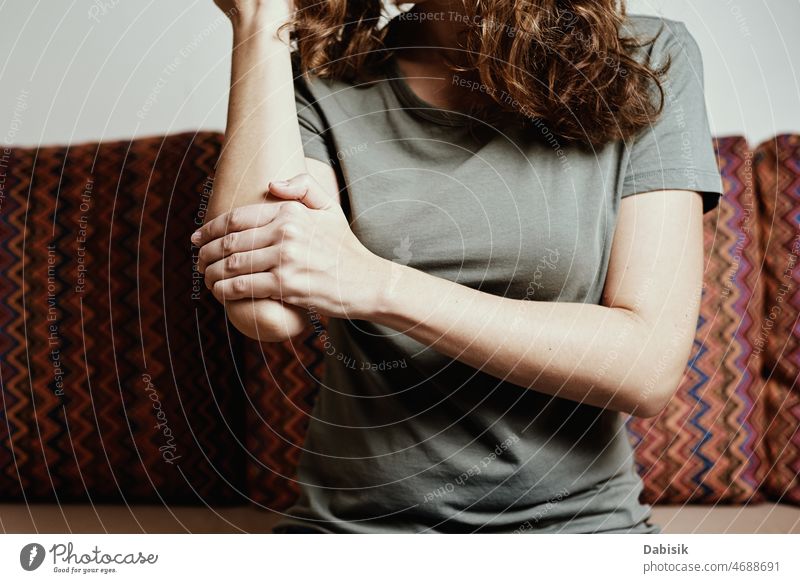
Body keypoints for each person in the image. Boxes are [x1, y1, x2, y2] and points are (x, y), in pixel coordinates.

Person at [192, 0, 723, 533]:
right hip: (355, 532)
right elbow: (263, 308)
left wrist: (375, 285)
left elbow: (647, 368)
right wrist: (258, 21)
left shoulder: (643, 57)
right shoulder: (328, 76)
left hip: (576, 530)